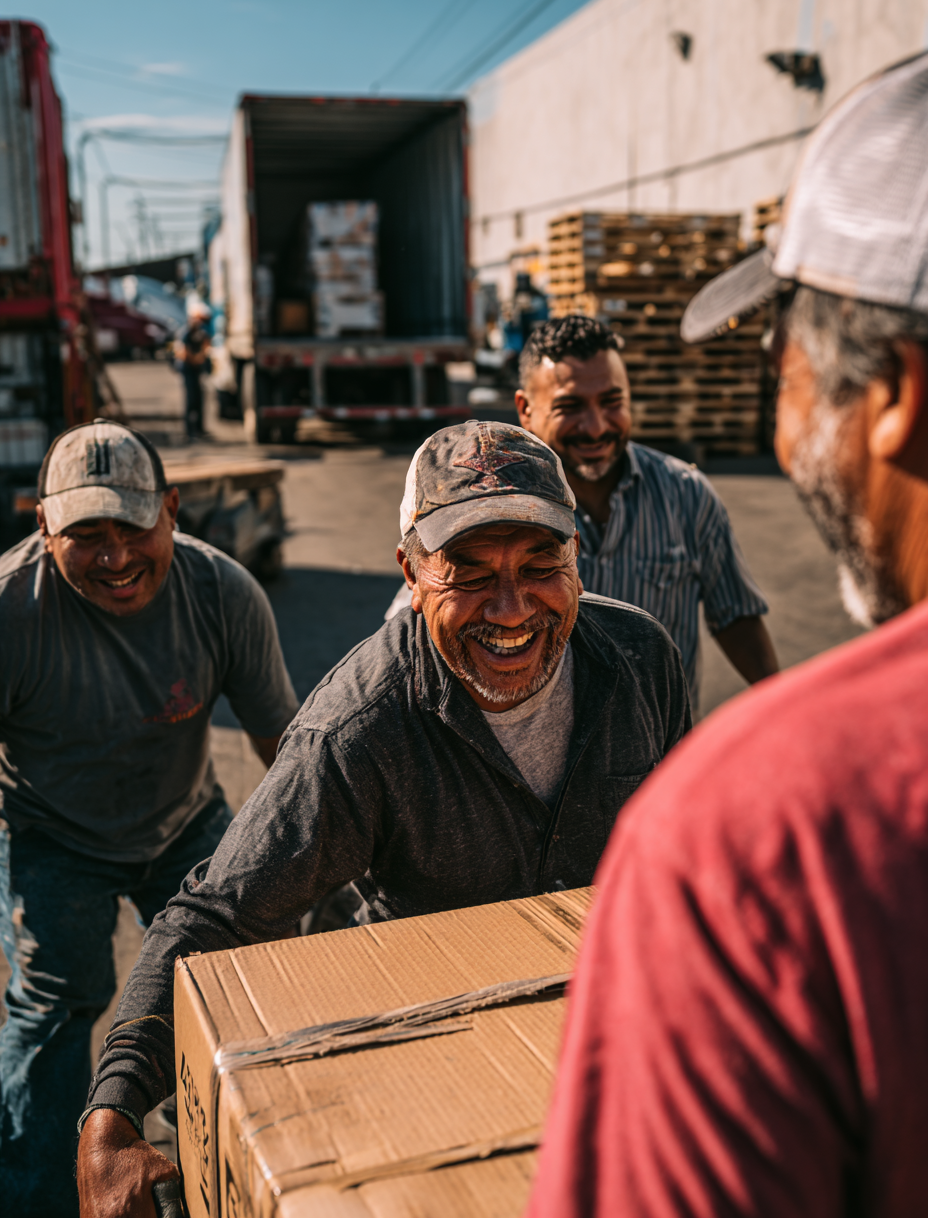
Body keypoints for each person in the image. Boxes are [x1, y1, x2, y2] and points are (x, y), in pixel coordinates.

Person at [76, 419, 692, 1215]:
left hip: (605, 1041)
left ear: (578, 555)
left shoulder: (641, 660)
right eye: (469, 573)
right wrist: (112, 1116)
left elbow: (693, 856)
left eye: (542, 565)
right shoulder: (360, 728)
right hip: (434, 1062)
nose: (511, 608)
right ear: (410, 571)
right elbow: (219, 912)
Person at [528, 52, 928, 1218]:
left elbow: (739, 615)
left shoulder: (756, 846)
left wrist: (797, 739)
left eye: (779, 351)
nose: (773, 391)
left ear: (894, 393)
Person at [0, 419, 299, 1218]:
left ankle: (208, 1170)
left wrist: (317, 875)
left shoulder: (223, 594)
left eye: (133, 528)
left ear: (170, 510)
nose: (115, 557)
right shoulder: (10, 611)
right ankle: (38, 1197)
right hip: (52, 833)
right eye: (87, 536)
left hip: (185, 821)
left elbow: (287, 752)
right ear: (43, 524)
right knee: (56, 1008)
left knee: (226, 994)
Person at [514, 314, 779, 709]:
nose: (595, 427)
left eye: (612, 401)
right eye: (569, 406)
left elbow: (735, 617)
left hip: (665, 742)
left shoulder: (686, 494)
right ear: (526, 409)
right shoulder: (501, 510)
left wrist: (787, 708)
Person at [176, 304, 211, 440]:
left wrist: (201, 356)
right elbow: (183, 353)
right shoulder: (185, 333)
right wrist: (197, 359)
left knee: (199, 399)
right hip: (188, 370)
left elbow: (206, 346)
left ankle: (199, 429)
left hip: (196, 370)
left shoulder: (201, 333)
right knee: (190, 400)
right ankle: (189, 430)